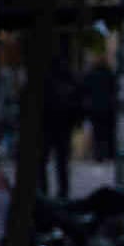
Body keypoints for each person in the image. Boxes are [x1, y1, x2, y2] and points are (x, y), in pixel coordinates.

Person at [39, 57, 81, 198]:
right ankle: (62, 192)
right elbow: (77, 103)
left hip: (49, 125)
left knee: (44, 160)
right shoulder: (69, 80)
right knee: (61, 161)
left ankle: (45, 190)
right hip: (63, 126)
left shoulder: (47, 80)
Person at [82, 51, 118, 162]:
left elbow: (86, 89)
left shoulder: (91, 74)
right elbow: (114, 89)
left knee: (97, 132)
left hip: (95, 107)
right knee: (108, 131)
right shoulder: (109, 73)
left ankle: (98, 155)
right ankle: (109, 153)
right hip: (108, 106)